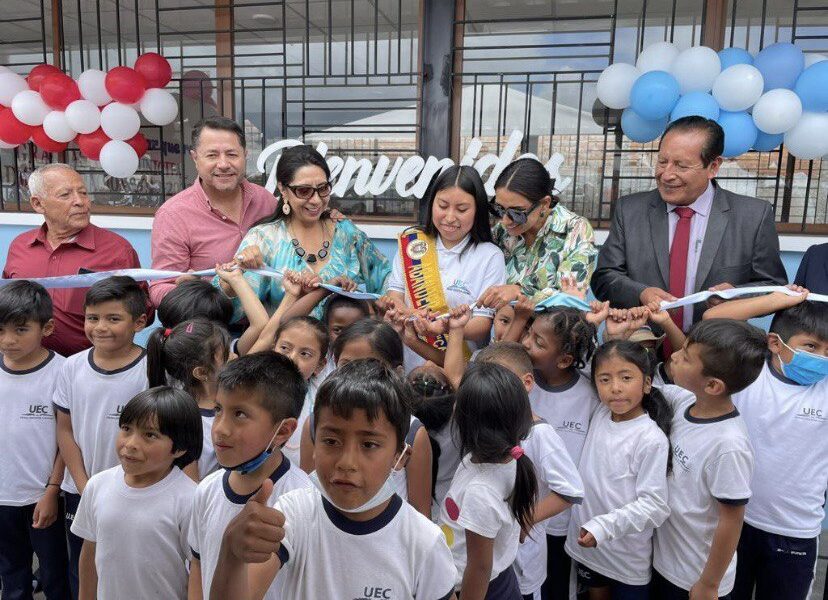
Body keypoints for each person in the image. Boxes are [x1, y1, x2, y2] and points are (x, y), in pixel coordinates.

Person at [210, 359, 457, 600]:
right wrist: (231, 556)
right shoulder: (294, 514)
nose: (346, 462)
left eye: (369, 444)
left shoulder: (423, 542)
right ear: (314, 444)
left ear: (399, 456)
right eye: (331, 441)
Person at [591, 116, 787, 332]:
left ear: (713, 167)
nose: (666, 175)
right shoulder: (629, 211)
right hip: (641, 349)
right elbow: (604, 278)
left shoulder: (752, 216)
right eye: (662, 162)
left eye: (681, 165)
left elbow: (773, 288)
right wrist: (641, 293)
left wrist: (736, 296)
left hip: (714, 353)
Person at [704, 289, 828, 600]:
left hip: (795, 532)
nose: (821, 359)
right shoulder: (749, 372)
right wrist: (778, 300)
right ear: (774, 343)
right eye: (811, 347)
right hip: (733, 523)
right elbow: (712, 320)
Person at [652, 320, 767, 599]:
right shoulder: (682, 402)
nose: (675, 355)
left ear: (713, 385)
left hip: (695, 578)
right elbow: (641, 386)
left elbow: (732, 520)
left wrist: (709, 584)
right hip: (664, 562)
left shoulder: (729, 445)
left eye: (686, 356)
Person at [52, 276, 149, 599]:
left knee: (126, 565)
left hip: (133, 491)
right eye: (92, 318)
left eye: (113, 318)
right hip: (80, 489)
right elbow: (65, 430)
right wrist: (85, 486)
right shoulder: (72, 367)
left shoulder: (151, 369)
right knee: (83, 566)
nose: (100, 327)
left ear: (139, 322)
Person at [188, 352, 310, 600]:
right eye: (219, 409)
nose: (220, 428)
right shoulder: (206, 490)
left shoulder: (302, 499)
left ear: (283, 430)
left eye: (240, 414)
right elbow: (198, 566)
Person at [221, 144, 391, 321]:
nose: (316, 200)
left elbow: (385, 279)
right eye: (304, 191)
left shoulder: (346, 232)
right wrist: (232, 279)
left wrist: (387, 304)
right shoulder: (264, 238)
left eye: (323, 188)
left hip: (346, 347)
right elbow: (231, 311)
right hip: (285, 346)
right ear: (283, 189)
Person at [470, 342, 584, 600]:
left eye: (501, 381)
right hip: (491, 554)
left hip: (523, 557)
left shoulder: (540, 434)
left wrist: (525, 518)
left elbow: (571, 491)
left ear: (527, 382)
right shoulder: (484, 427)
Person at [71, 387, 201, 600]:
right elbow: (90, 552)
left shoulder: (190, 498)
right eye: (126, 428)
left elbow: (199, 569)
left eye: (150, 435)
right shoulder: (98, 485)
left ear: (180, 448)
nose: (130, 444)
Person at [2, 163, 146, 356]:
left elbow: (143, 312)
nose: (80, 202)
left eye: (83, 193)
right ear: (37, 204)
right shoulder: (20, 246)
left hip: (90, 369)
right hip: (26, 366)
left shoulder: (117, 250)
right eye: (65, 195)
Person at [565, 341, 672, 598]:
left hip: (626, 556)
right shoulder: (602, 412)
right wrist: (610, 331)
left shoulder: (651, 438)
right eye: (605, 379)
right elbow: (581, 364)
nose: (615, 388)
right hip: (588, 546)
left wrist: (603, 528)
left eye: (626, 378)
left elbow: (654, 505)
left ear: (647, 384)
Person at [149, 116, 278, 306]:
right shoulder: (173, 215)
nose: (223, 164)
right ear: (195, 158)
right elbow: (159, 289)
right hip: (211, 327)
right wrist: (186, 292)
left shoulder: (265, 201)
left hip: (270, 322)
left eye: (232, 154)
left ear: (245, 155)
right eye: (212, 155)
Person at [386, 165, 506, 367]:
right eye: (442, 206)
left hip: (461, 369)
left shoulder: (489, 256)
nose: (450, 217)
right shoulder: (413, 244)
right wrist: (413, 315)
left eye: (462, 210)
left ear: (478, 210)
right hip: (412, 363)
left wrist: (442, 327)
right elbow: (395, 296)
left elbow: (482, 324)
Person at [440, 362, 538, 599]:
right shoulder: (512, 459)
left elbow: (480, 568)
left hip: (478, 589)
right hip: (497, 579)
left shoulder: (480, 491)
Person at [0, 281, 70, 599]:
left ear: (47, 327)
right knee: (12, 575)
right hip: (3, 498)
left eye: (20, 330)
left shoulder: (63, 372)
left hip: (43, 497)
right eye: (0, 330)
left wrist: (52, 491)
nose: (8, 340)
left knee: (56, 575)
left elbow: (67, 440)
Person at [479, 157, 598, 309]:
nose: (505, 220)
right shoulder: (501, 232)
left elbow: (570, 298)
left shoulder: (575, 230)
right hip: (504, 330)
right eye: (499, 209)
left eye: (517, 213)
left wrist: (519, 291)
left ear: (544, 204)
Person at [147, 318, 232, 481]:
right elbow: (191, 486)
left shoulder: (231, 398)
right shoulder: (185, 420)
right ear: (201, 373)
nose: (235, 357)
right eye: (226, 357)